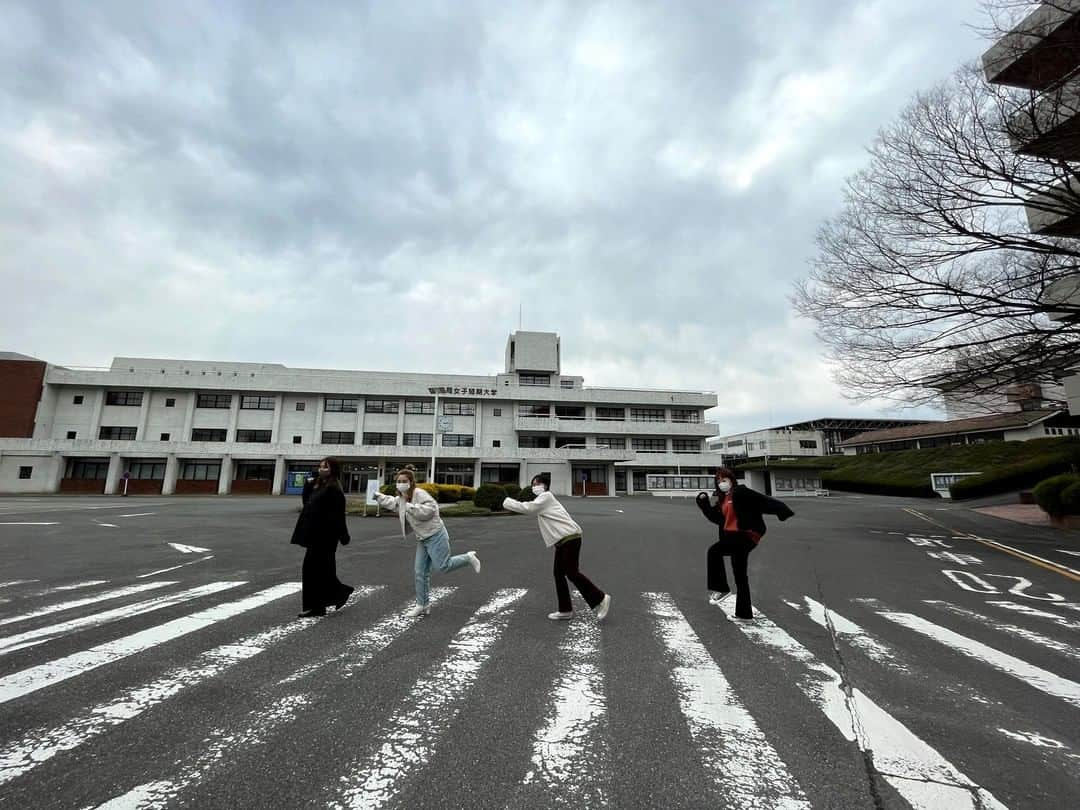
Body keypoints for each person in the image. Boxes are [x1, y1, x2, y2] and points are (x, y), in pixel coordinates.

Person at [373, 466, 480, 617]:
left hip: (435, 534)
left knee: (443, 566)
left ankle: (468, 558)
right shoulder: (402, 498)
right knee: (420, 572)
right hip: (422, 538)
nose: (401, 483)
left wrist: (410, 507)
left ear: (411, 482)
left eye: (404, 481)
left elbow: (431, 510)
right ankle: (422, 605)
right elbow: (392, 502)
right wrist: (377, 496)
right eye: (398, 481)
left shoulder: (419, 493)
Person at [503, 473, 611, 622]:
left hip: (570, 538)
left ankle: (601, 598)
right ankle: (565, 610)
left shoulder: (546, 497)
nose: (534, 487)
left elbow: (527, 508)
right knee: (559, 574)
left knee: (572, 573)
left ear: (545, 485)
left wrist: (506, 501)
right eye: (533, 484)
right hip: (563, 541)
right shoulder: (543, 499)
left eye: (536, 484)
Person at [695, 467, 793, 621]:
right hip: (732, 537)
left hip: (745, 535)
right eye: (719, 481)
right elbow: (716, 518)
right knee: (740, 576)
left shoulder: (740, 492)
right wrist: (703, 503)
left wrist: (783, 510)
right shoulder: (723, 499)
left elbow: (762, 501)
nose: (722, 483)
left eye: (724, 480)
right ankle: (744, 614)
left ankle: (721, 589)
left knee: (714, 551)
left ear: (732, 480)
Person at [290, 457, 354, 618]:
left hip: (326, 536)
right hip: (314, 534)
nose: (321, 469)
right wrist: (308, 484)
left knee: (315, 569)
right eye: (320, 467)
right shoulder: (318, 486)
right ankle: (328, 600)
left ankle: (320, 604)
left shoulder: (333, 488)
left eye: (325, 467)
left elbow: (338, 514)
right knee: (320, 570)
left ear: (332, 470)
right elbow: (306, 503)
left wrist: (343, 535)